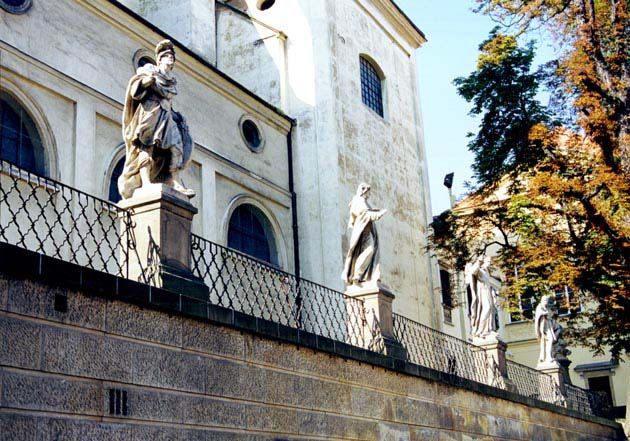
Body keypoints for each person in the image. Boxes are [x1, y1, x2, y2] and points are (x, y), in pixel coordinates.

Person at [118, 39, 194, 200]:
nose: (171, 58)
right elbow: (136, 88)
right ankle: (145, 182)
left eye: (172, 56)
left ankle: (174, 181)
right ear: (160, 60)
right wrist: (147, 82)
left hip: (166, 114)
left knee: (176, 146)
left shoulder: (171, 80)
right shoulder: (149, 70)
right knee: (146, 146)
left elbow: (167, 99)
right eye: (167, 56)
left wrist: (176, 116)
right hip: (150, 111)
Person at [342, 183, 387, 286]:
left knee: (371, 251)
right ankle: (356, 275)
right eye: (368, 192)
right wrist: (379, 214)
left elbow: (368, 212)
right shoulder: (358, 200)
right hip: (361, 233)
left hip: (368, 232)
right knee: (369, 251)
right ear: (364, 191)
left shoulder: (364, 202)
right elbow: (364, 213)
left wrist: (375, 211)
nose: (369, 195)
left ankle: (362, 276)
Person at [465, 254, 501, 338]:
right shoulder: (480, 271)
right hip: (482, 293)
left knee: (491, 310)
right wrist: (478, 261)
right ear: (483, 262)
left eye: (490, 262)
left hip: (488, 293)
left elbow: (489, 284)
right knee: (486, 308)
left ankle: (489, 330)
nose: (489, 263)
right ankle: (481, 330)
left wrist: (494, 291)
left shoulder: (487, 273)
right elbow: (473, 271)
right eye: (488, 262)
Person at [535, 295, 557, 364]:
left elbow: (551, 317)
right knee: (549, 340)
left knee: (551, 340)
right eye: (545, 301)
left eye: (547, 301)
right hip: (544, 326)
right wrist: (545, 313)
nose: (546, 303)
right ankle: (548, 357)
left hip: (549, 326)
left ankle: (549, 356)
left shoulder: (547, 307)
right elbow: (538, 316)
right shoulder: (539, 307)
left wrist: (551, 313)